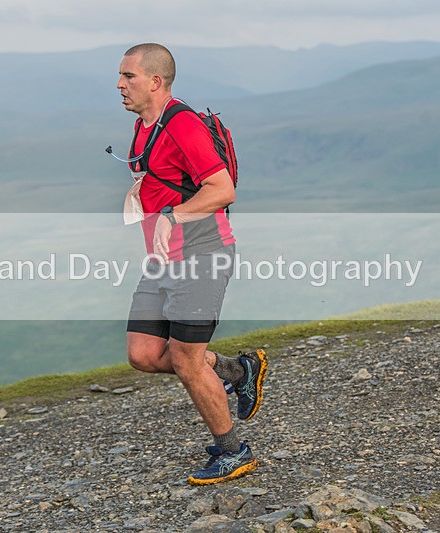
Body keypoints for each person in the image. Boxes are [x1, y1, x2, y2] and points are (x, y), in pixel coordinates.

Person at [116, 42, 268, 485]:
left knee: (186, 360)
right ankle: (238, 370)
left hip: (203, 254)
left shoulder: (181, 124)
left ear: (156, 81)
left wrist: (171, 217)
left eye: (129, 77)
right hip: (164, 262)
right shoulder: (146, 126)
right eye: (121, 77)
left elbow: (222, 189)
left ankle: (233, 451)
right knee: (143, 355)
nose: (120, 85)